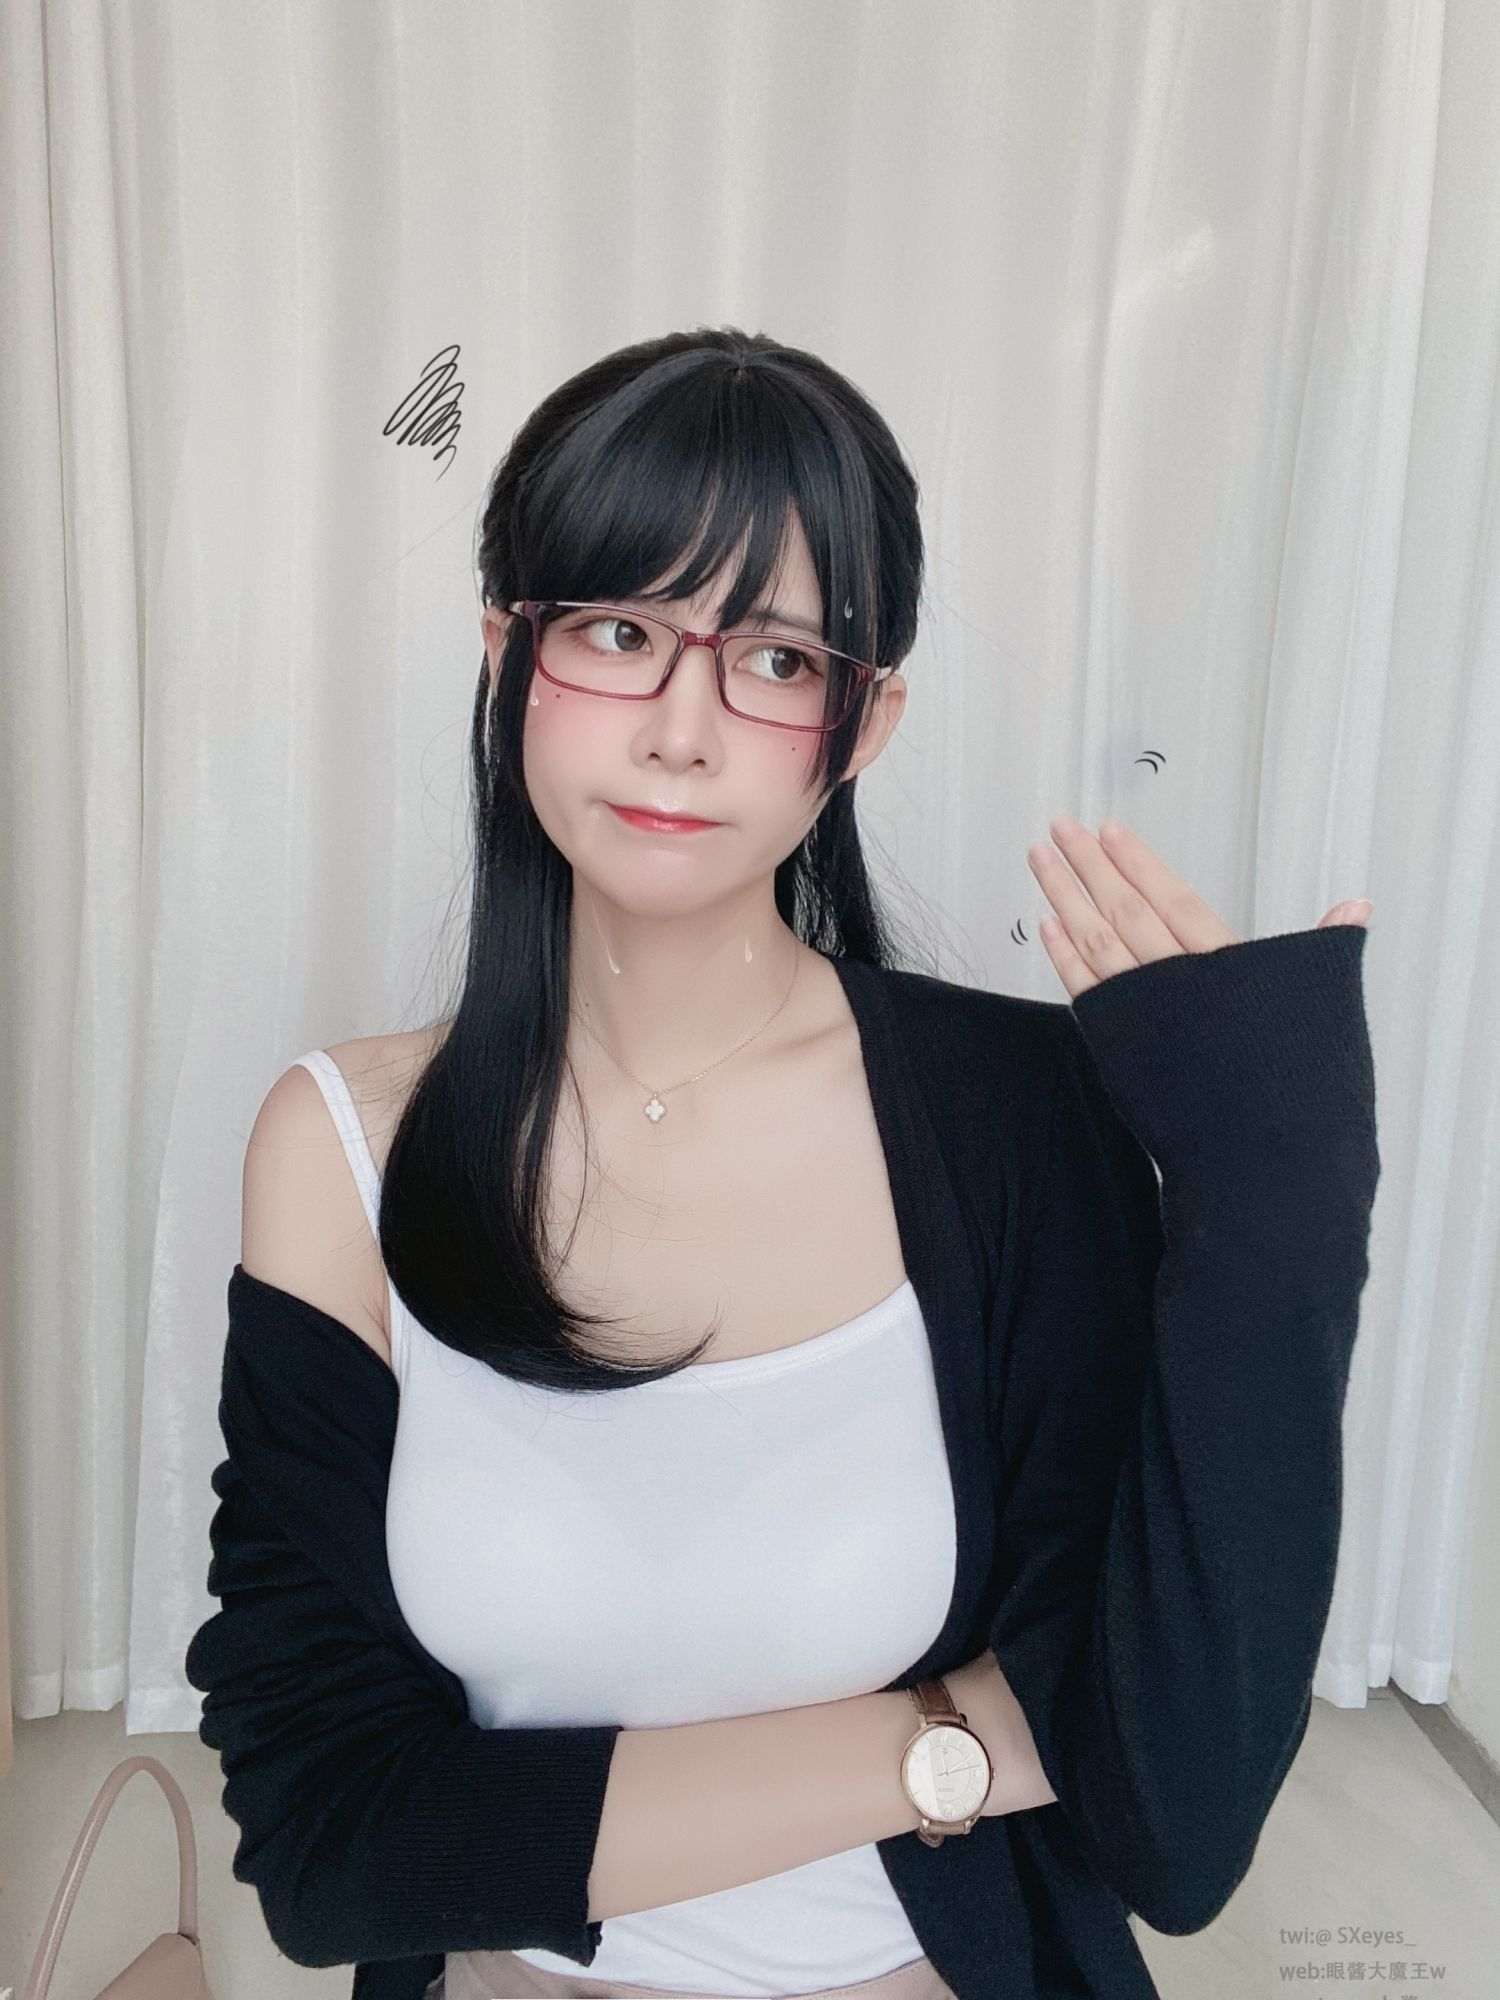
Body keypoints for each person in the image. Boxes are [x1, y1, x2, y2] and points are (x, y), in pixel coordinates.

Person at [189, 326, 1380, 2000]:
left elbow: (1169, 1811)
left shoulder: (1022, 1118)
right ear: (507, 654)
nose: (682, 732)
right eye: (619, 633)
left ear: (865, 719)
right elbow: (328, 1845)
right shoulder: (340, 1147)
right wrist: (948, 1746)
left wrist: (1278, 1199)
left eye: (773, 659)